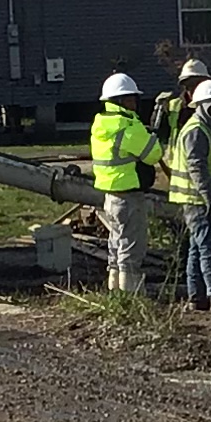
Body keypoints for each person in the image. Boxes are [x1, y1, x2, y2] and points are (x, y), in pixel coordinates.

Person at [88, 71, 162, 294]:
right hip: (129, 196)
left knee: (116, 245)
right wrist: (150, 137)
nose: (134, 104)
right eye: (131, 99)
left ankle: (115, 292)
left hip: (110, 195)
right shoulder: (127, 126)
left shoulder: (100, 123)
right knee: (131, 248)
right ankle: (132, 296)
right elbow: (154, 154)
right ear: (120, 101)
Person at [166, 76, 211, 307]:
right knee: (209, 247)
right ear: (204, 107)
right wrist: (210, 198)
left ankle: (196, 297)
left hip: (198, 200)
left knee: (197, 249)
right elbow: (197, 167)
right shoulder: (197, 131)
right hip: (199, 201)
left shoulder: (204, 129)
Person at [150, 58, 210, 156]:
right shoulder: (172, 106)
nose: (192, 89)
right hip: (179, 165)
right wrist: (157, 111)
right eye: (189, 85)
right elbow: (159, 134)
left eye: (196, 84)